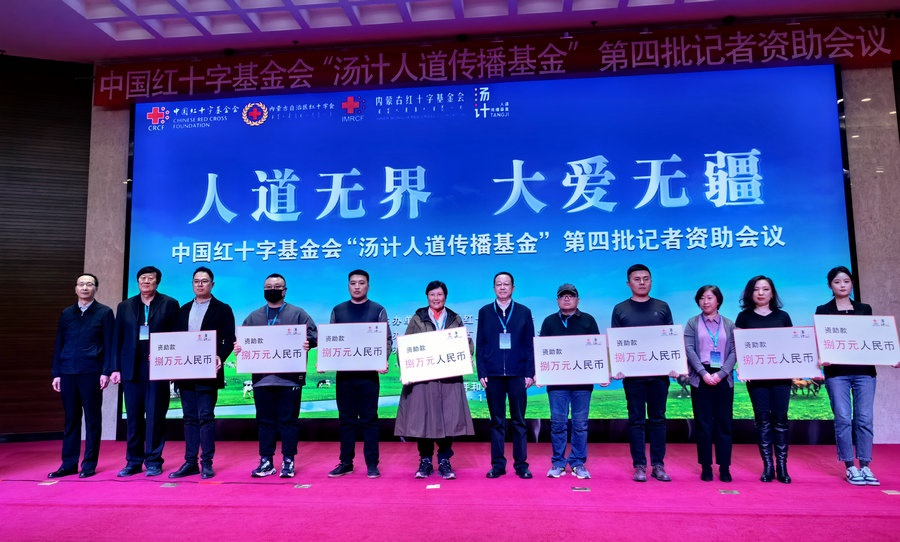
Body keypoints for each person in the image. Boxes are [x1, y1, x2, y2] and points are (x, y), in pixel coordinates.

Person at [237, 273, 317, 479]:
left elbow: (314, 335)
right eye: (268, 287)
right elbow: (242, 341)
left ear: (285, 290)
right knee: (264, 421)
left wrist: (308, 342)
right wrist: (239, 348)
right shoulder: (253, 317)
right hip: (262, 379)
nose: (272, 289)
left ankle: (288, 461)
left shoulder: (298, 314)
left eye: (277, 286)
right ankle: (266, 461)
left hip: (290, 379)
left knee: (289, 421)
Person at [394, 280, 474, 480]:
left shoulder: (455, 318)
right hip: (424, 380)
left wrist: (466, 351)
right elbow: (405, 347)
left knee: (449, 419)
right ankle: (425, 460)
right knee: (424, 420)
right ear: (427, 297)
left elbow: (467, 345)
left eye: (439, 294)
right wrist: (407, 371)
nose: (436, 298)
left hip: (449, 380)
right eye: (432, 295)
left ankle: (445, 460)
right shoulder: (418, 318)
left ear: (445, 296)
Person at [111, 265, 180, 477]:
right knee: (133, 417)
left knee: (155, 416)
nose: (146, 281)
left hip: (159, 368)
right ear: (138, 281)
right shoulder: (125, 306)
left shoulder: (169, 303)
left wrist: (173, 365)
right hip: (131, 368)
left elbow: (177, 336)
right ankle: (133, 462)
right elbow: (117, 339)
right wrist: (115, 368)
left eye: (150, 278)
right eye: (142, 278)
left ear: (157, 282)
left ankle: (153, 461)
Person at [815, 266, 882, 486]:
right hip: (837, 373)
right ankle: (850, 466)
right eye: (837, 282)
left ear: (852, 283)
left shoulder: (864, 309)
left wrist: (890, 355)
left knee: (865, 419)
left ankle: (866, 465)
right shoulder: (823, 310)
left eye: (846, 281)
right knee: (843, 419)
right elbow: (820, 340)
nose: (842, 285)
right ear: (830, 285)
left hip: (864, 372)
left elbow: (874, 337)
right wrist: (821, 358)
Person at [168, 267, 235, 480]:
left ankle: (206, 463)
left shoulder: (222, 309)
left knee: (205, 417)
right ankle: (190, 462)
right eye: (196, 281)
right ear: (192, 284)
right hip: (186, 372)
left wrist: (220, 357)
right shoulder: (183, 309)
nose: (200, 284)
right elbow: (175, 340)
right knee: (189, 418)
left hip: (208, 372)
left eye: (204, 281)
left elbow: (229, 339)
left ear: (212, 285)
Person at [610, 264, 674, 483]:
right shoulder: (620, 309)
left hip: (659, 376)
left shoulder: (662, 307)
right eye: (637, 279)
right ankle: (639, 465)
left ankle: (658, 465)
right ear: (628, 283)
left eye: (646, 278)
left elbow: (669, 339)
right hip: (633, 377)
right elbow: (617, 343)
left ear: (651, 281)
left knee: (658, 420)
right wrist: (617, 367)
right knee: (636, 421)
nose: (642, 282)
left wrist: (673, 364)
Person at [48, 273, 115, 479]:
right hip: (67, 372)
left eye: (89, 284)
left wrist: (106, 371)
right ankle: (68, 464)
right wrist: (56, 373)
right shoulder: (67, 313)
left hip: (91, 372)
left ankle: (89, 464)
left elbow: (110, 344)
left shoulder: (104, 313)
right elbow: (60, 343)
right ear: (75, 288)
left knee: (92, 420)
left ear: (95, 288)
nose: (85, 287)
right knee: (71, 419)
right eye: (81, 284)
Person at [327, 269, 392, 479]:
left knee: (369, 420)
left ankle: (372, 464)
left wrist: (383, 359)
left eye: (361, 283)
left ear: (368, 286)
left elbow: (386, 340)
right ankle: (346, 463)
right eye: (353, 283)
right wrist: (325, 360)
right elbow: (331, 339)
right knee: (346, 420)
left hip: (368, 376)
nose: (357, 286)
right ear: (348, 286)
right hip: (345, 376)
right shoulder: (338, 310)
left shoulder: (377, 310)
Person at [476, 271, 535, 479]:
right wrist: (482, 372)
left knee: (519, 421)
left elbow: (529, 345)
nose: (502, 287)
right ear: (494, 288)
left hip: (518, 374)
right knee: (497, 421)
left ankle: (521, 465)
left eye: (506, 284)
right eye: (499, 284)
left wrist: (530, 372)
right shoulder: (485, 312)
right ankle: (498, 465)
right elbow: (480, 345)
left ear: (513, 288)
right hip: (492, 376)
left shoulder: (524, 312)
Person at [735, 275, 793, 484]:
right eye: (756, 289)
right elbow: (739, 347)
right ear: (750, 293)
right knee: (762, 421)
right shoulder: (744, 317)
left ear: (772, 293)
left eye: (765, 289)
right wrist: (742, 368)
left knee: (781, 421)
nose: (761, 293)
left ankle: (782, 467)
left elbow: (792, 345)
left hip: (781, 378)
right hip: (756, 378)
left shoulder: (783, 317)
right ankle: (768, 466)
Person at [539, 283, 600, 480]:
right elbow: (542, 351)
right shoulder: (549, 322)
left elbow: (597, 349)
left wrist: (601, 374)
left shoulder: (588, 320)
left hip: (582, 383)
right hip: (557, 384)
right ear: (557, 300)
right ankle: (558, 463)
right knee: (558, 424)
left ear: (577, 300)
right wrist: (540, 374)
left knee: (580, 424)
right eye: (563, 296)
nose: (567, 299)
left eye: (570, 296)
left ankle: (578, 463)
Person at [684, 285, 736, 483]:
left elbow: (735, 351)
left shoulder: (729, 324)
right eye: (702, 298)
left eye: (709, 298)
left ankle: (724, 467)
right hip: (700, 377)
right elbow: (689, 349)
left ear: (718, 301)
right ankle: (706, 466)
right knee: (703, 424)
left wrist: (721, 374)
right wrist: (703, 373)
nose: (705, 302)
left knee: (724, 424)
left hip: (723, 376)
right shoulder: (692, 323)